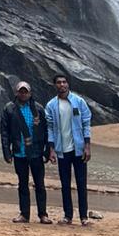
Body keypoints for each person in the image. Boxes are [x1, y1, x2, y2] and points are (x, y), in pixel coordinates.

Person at [0, 81, 52, 224]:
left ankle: (43, 214)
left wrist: (47, 151)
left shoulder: (38, 109)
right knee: (22, 184)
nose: (23, 94)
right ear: (16, 93)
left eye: (26, 91)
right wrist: (6, 152)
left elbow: (46, 130)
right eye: (20, 91)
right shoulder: (9, 109)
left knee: (40, 184)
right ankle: (24, 214)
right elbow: (4, 131)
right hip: (19, 152)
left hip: (36, 152)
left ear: (30, 93)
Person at [45, 73, 93, 226]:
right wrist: (51, 149)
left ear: (68, 84)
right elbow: (50, 128)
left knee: (81, 183)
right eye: (58, 82)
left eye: (64, 82)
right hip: (62, 149)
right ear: (55, 85)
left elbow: (86, 124)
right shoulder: (51, 105)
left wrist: (87, 146)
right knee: (65, 183)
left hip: (78, 148)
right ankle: (68, 215)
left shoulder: (79, 102)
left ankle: (84, 216)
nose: (62, 85)